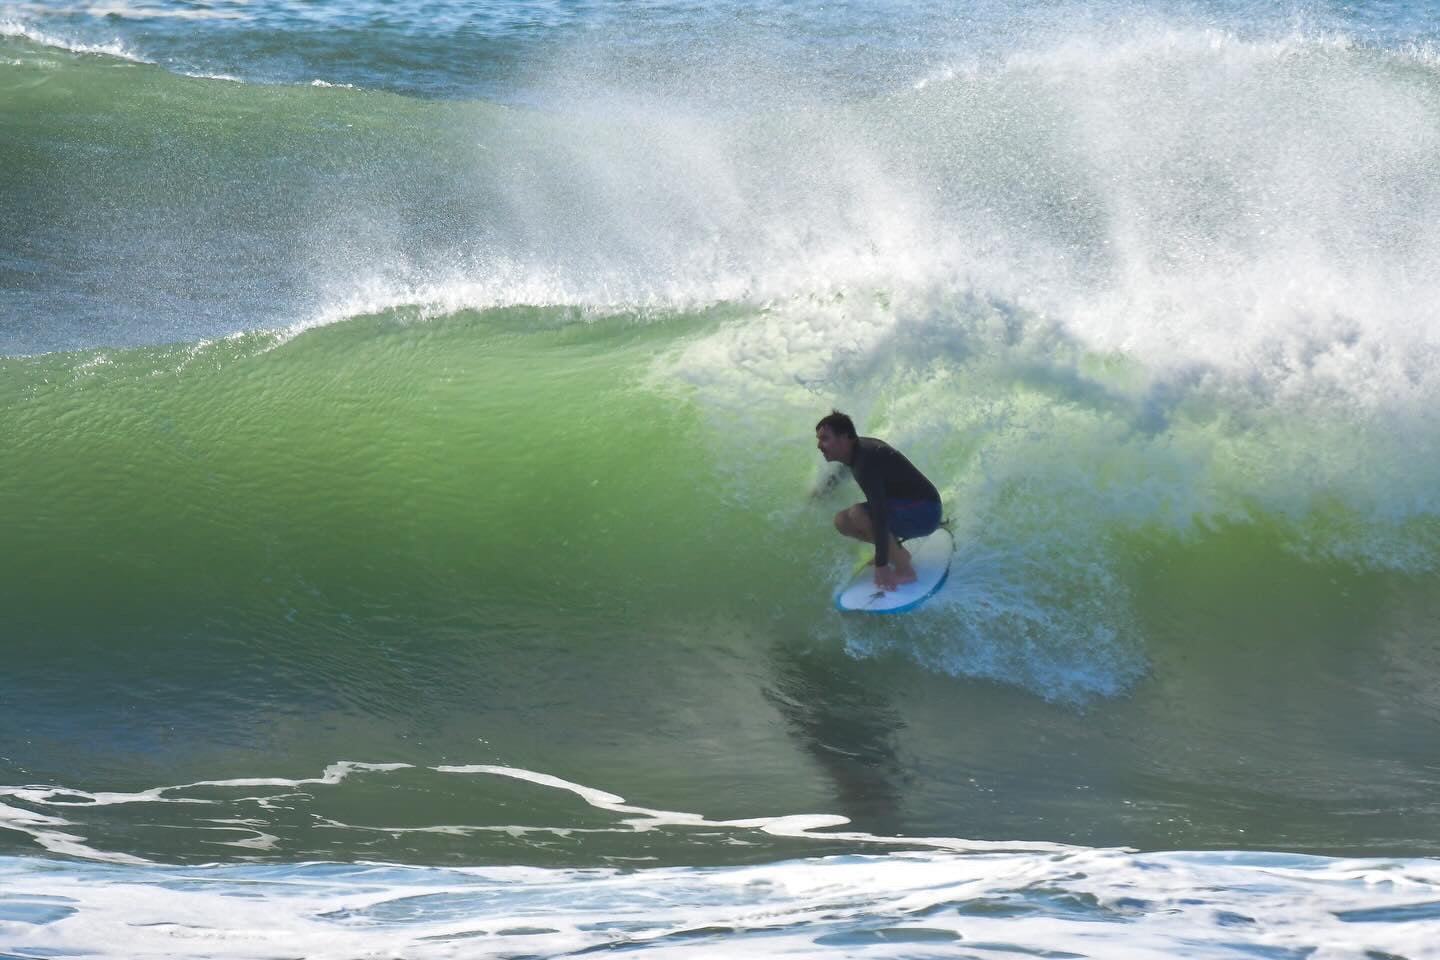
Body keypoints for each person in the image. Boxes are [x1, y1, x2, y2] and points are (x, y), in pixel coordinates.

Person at [815, 410, 942, 591]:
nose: (819, 445)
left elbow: (879, 514)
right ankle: (898, 553)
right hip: (906, 507)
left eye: (825, 439)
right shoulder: (854, 451)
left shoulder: (867, 460)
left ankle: (905, 570)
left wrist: (881, 565)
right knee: (841, 521)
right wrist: (824, 490)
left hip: (926, 512)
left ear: (843, 438)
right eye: (819, 440)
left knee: (858, 514)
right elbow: (843, 472)